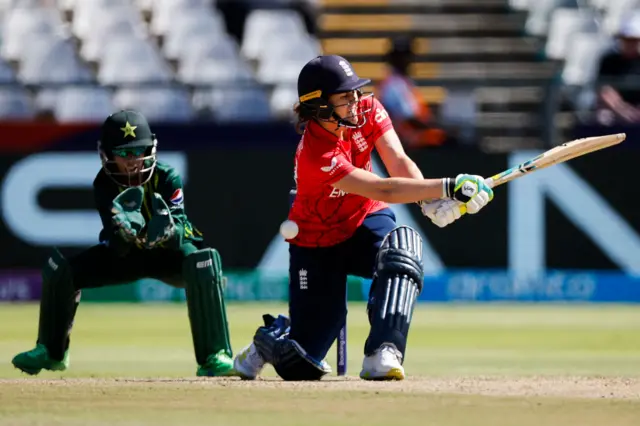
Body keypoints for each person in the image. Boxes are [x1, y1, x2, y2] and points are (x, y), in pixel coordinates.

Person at [232, 55, 493, 381]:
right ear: (320, 106)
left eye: (355, 92)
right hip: (316, 242)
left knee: (404, 247)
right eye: (344, 97)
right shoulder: (316, 153)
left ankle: (383, 351)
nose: (355, 101)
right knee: (301, 363)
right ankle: (271, 339)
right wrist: (449, 185)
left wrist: (430, 199)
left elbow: (398, 161)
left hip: (364, 220)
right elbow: (384, 188)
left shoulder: (370, 109)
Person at [11, 110, 236, 377]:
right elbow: (115, 246)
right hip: (127, 256)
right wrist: (125, 233)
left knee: (203, 261)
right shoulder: (104, 183)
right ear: (107, 154)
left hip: (166, 255)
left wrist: (166, 231)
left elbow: (182, 231)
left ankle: (214, 356)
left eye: (138, 152)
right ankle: (51, 351)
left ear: (150, 150)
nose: (132, 161)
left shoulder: (167, 177)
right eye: (124, 153)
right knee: (61, 271)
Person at [376, 36, 450, 148]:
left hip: (415, 138)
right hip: (408, 142)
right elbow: (409, 118)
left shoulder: (404, 81)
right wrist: (434, 125)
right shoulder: (393, 84)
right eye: (402, 57)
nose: (407, 61)